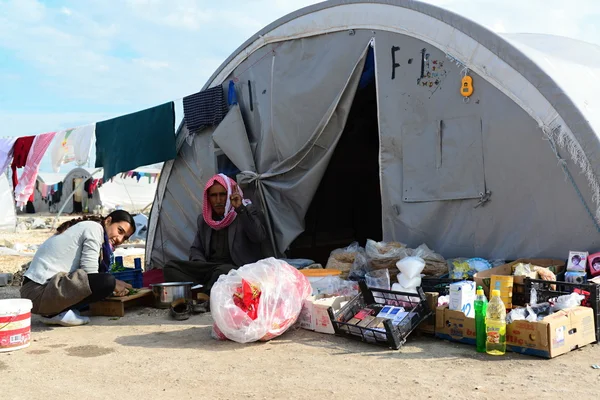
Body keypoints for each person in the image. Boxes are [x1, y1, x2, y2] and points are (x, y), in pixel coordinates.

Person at [163, 174, 266, 305]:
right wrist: (199, 264)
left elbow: (258, 236)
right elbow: (196, 248)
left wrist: (240, 209)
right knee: (170, 267)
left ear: (230, 194)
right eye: (213, 195)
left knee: (222, 273)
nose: (218, 200)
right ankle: (206, 291)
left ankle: (203, 296)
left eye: (222, 194)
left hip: (235, 269)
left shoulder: (246, 211)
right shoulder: (205, 219)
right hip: (209, 268)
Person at [20, 210, 136, 326]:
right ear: (108, 221)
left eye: (124, 238)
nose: (120, 239)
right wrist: (114, 284)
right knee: (107, 282)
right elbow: (90, 275)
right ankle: (52, 313)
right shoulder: (94, 229)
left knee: (105, 283)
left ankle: (58, 310)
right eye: (120, 231)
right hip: (37, 292)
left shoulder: (93, 229)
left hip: (41, 291)